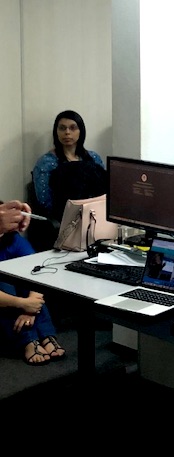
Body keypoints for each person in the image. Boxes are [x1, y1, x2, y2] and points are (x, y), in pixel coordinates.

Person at [0, 200, 65, 365]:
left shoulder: (13, 239)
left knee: (27, 282)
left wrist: (31, 307)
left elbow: (37, 270)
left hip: (24, 302)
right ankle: (28, 340)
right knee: (5, 281)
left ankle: (45, 336)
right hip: (6, 298)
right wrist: (23, 304)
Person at [33, 110, 107, 221]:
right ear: (56, 132)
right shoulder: (46, 162)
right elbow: (44, 201)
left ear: (81, 131)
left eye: (73, 128)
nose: (67, 132)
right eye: (62, 128)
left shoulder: (93, 158)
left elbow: (105, 190)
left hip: (96, 215)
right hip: (64, 219)